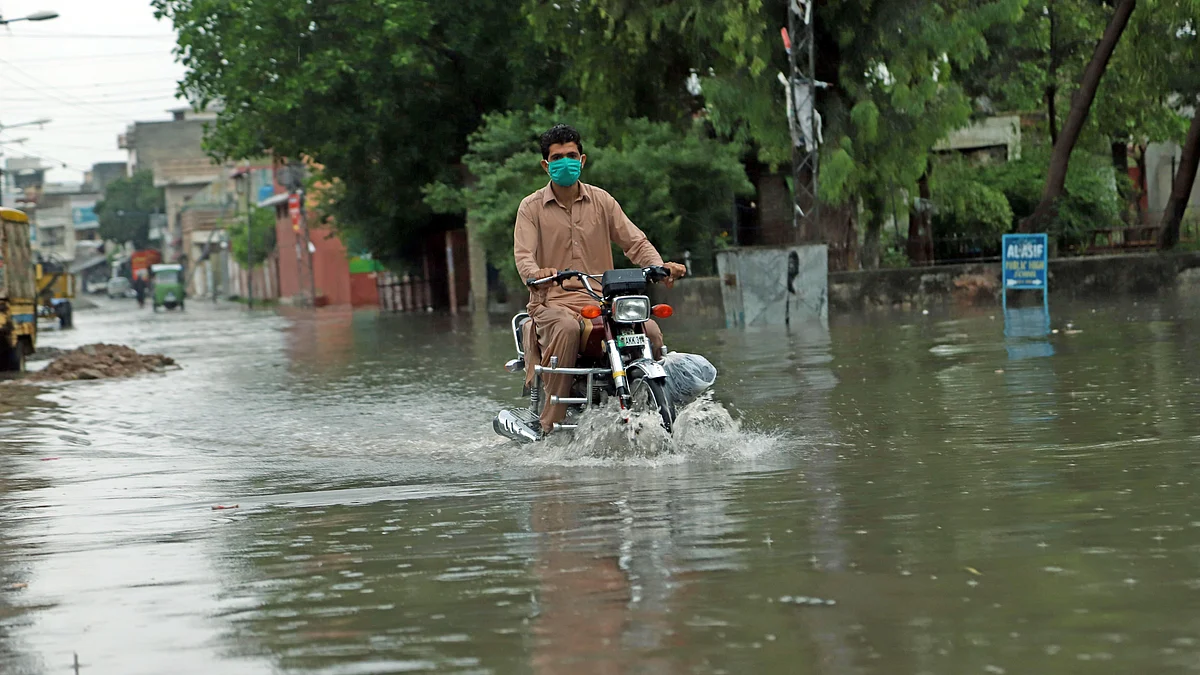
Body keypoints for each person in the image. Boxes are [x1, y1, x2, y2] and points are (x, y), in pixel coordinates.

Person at [514, 124, 687, 435]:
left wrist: (659, 266)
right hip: (552, 301)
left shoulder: (603, 201)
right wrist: (535, 273)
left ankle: (662, 407)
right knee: (567, 329)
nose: (564, 162)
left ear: (582, 160)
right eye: (557, 158)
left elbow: (634, 242)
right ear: (545, 165)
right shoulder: (531, 208)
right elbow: (524, 256)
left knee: (652, 331)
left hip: (602, 299)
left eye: (570, 155)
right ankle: (549, 422)